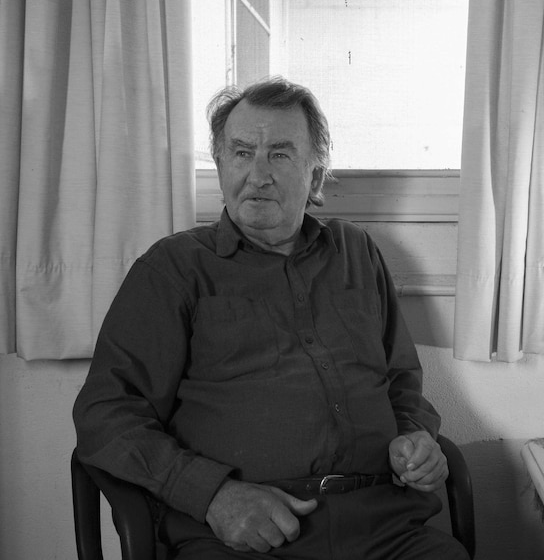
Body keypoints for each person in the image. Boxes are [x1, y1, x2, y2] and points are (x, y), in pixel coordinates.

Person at [73, 77, 469, 560]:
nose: (257, 174)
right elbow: (106, 413)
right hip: (242, 539)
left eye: (280, 154)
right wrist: (215, 496)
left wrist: (415, 438)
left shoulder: (357, 252)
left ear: (316, 176)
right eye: (241, 152)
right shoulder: (173, 269)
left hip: (385, 529)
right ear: (220, 165)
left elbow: (400, 380)